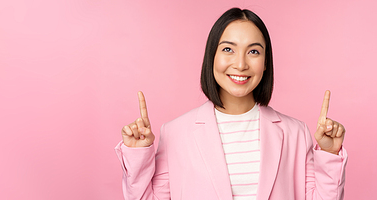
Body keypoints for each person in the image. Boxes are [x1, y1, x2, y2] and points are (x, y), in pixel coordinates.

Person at [114, 8, 347, 200]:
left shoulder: (296, 133)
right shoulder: (175, 133)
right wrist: (138, 155)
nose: (241, 64)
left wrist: (329, 153)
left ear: (265, 63)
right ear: (211, 56)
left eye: (253, 51)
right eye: (228, 49)